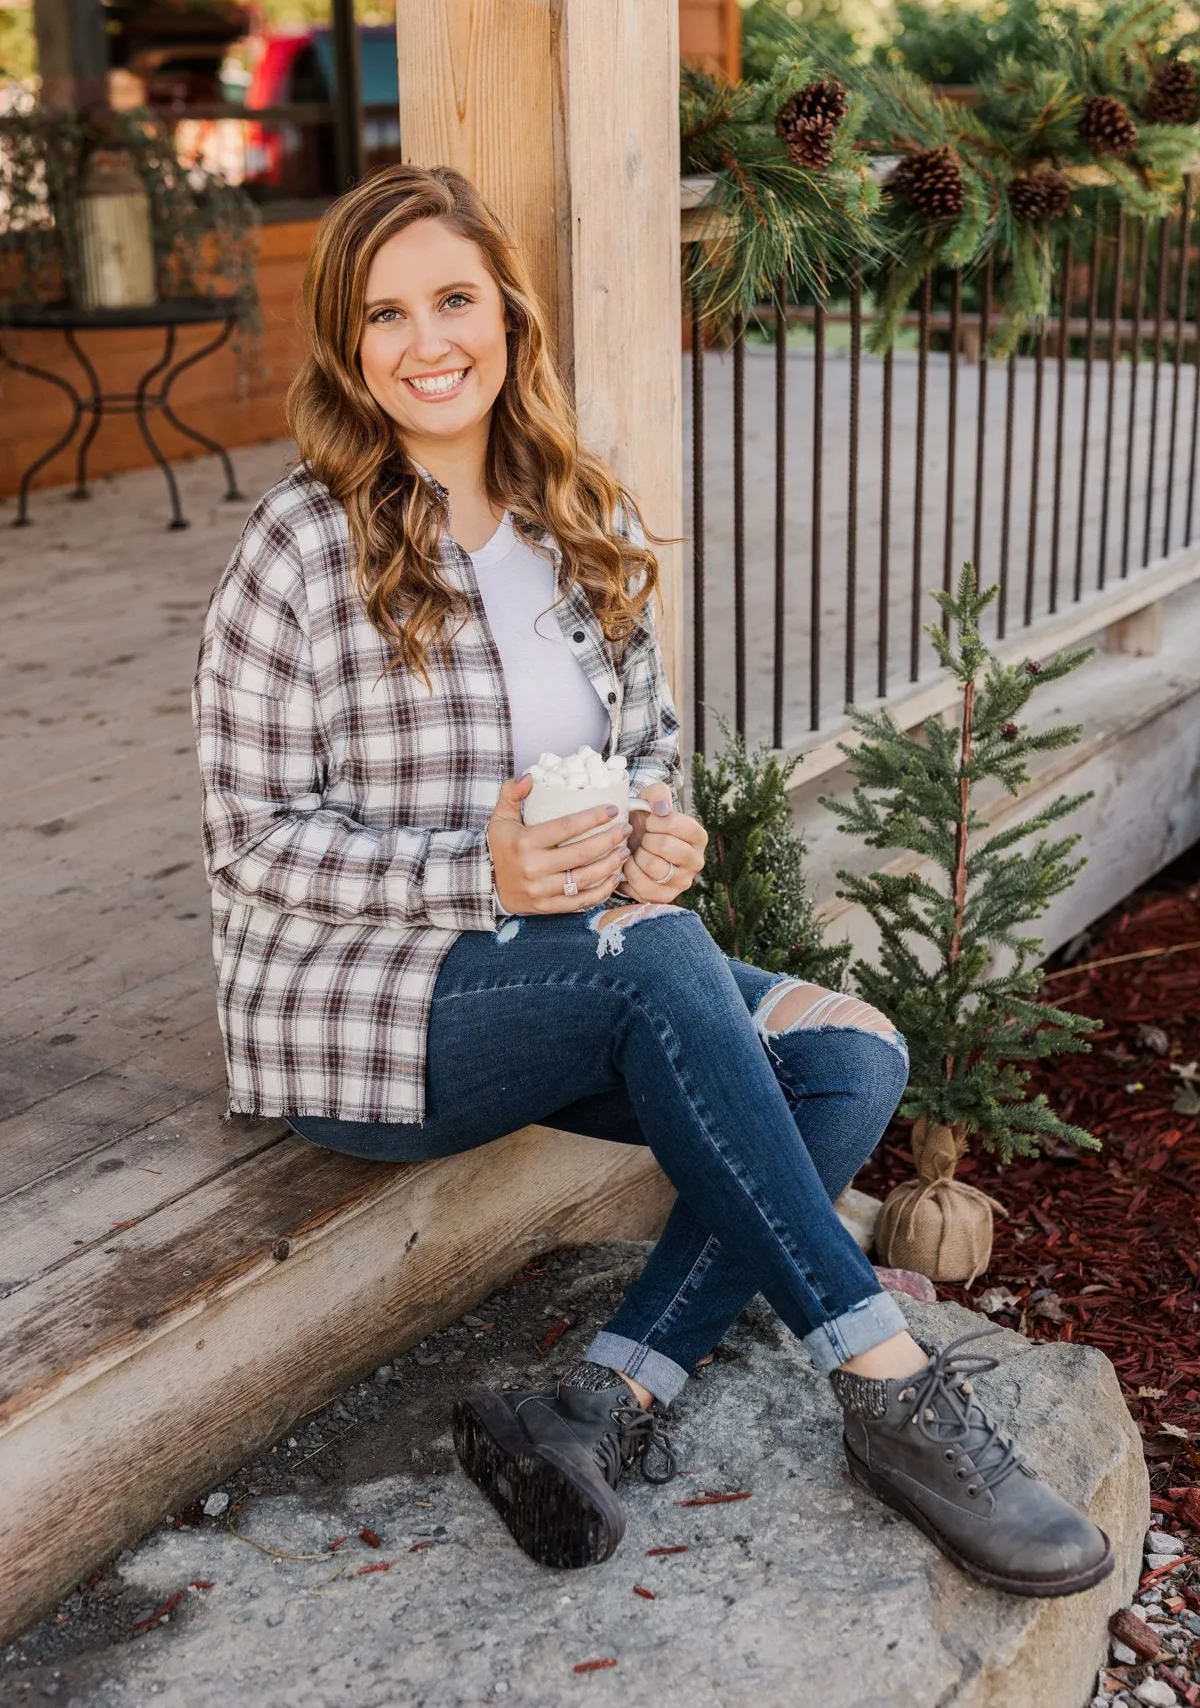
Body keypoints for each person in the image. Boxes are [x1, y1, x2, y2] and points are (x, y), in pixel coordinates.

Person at [193, 164, 1112, 1598]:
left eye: (453, 298)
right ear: (347, 344)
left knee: (853, 1054)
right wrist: (474, 864)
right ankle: (888, 1385)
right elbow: (247, 840)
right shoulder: (302, 545)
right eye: (385, 313)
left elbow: (650, 766)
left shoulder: (578, 517)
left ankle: (601, 1401)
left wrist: (663, 840)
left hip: (583, 969)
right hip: (362, 1010)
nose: (427, 340)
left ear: (508, 313)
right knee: (659, 961)